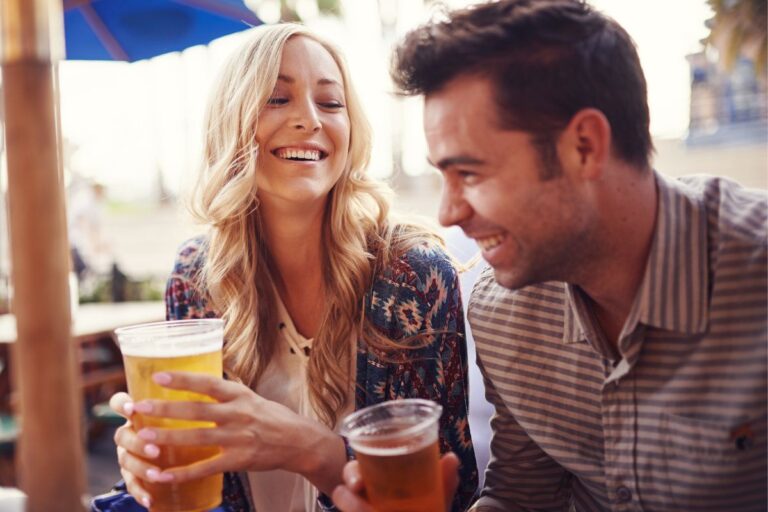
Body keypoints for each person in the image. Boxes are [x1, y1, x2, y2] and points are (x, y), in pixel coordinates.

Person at [332, 1, 767, 511]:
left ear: (584, 146)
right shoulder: (502, 314)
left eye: (469, 173)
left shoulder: (754, 276)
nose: (448, 213)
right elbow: (524, 497)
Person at [106, 23, 478, 512]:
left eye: (331, 103)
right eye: (277, 99)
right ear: (231, 123)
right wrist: (150, 467)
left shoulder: (410, 274)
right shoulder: (196, 276)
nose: (309, 120)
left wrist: (308, 448)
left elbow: (446, 490)